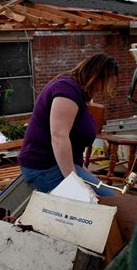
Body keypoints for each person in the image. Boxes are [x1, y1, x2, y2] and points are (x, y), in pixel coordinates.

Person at [17, 53, 118, 196]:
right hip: (45, 169)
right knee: (106, 199)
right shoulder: (67, 90)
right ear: (96, 76)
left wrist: (81, 171)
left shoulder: (77, 92)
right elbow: (59, 136)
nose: (105, 89)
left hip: (58, 166)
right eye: (107, 83)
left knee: (109, 196)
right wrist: (74, 183)